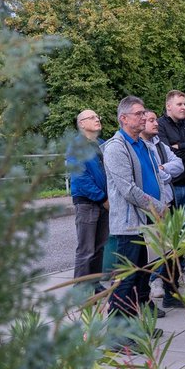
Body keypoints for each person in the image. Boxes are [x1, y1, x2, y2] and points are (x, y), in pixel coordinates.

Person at [103, 96, 182, 328]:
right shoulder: (116, 148)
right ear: (124, 119)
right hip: (130, 225)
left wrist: (162, 203)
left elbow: (158, 177)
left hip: (149, 221)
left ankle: (136, 329)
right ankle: (117, 332)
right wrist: (158, 207)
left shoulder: (145, 145)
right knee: (127, 280)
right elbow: (128, 189)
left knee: (141, 279)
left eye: (143, 112)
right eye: (138, 113)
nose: (144, 116)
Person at [140, 110, 185, 298]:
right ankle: (154, 281)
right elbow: (147, 174)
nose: (156, 123)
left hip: (167, 202)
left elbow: (179, 165)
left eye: (155, 120)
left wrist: (162, 169)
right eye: (151, 120)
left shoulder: (160, 145)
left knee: (170, 246)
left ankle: (170, 286)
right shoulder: (138, 147)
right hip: (151, 205)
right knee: (154, 247)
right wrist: (163, 174)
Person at [67, 109, 109, 285]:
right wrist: (102, 198)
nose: (97, 119)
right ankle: (81, 290)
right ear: (82, 124)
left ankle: (94, 285)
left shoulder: (102, 144)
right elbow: (80, 177)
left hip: (104, 202)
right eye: (92, 117)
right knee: (86, 250)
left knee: (99, 248)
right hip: (87, 203)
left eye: (97, 116)